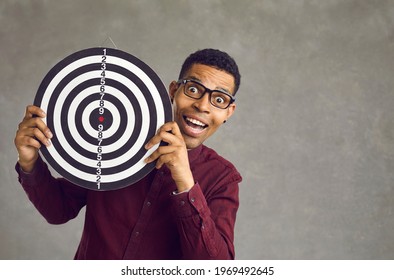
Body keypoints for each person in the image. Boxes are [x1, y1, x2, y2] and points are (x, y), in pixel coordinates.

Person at [14, 48, 242, 260]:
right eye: (193, 89)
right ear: (174, 91)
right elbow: (59, 211)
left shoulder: (223, 179)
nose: (202, 106)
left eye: (219, 99)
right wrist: (29, 162)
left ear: (228, 113)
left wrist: (185, 182)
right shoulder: (114, 143)